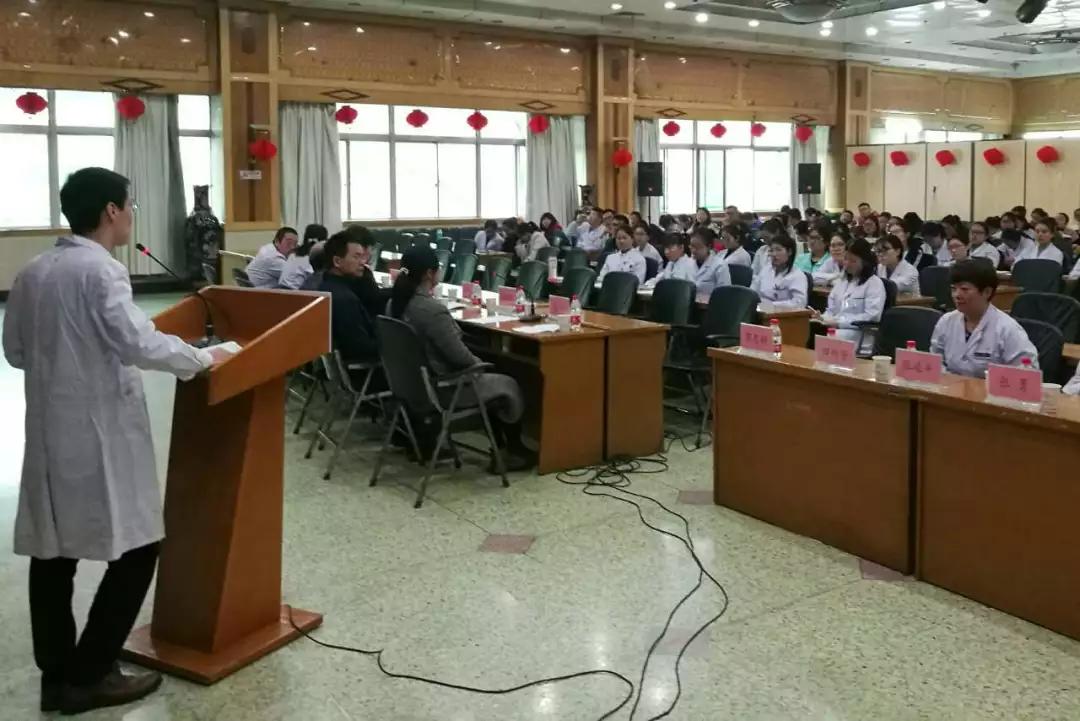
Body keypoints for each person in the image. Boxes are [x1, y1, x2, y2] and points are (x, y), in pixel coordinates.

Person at [2, 167, 229, 715]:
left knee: (53, 554)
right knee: (139, 549)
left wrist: (65, 364)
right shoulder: (101, 271)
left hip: (52, 432)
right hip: (98, 433)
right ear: (111, 210)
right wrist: (203, 358)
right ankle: (91, 673)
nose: (131, 216)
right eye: (130, 206)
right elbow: (137, 342)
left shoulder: (34, 270)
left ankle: (57, 677)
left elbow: (15, 351)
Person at [388, 245, 534, 470]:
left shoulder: (395, 303)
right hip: (444, 388)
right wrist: (481, 365)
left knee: (492, 368)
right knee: (507, 381)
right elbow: (461, 358)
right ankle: (511, 451)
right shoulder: (432, 311)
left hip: (410, 386)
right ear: (430, 274)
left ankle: (505, 449)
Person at [929, 260, 1038, 378]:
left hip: (990, 389)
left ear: (987, 292)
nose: (957, 295)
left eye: (964, 289)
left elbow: (1028, 372)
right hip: (951, 387)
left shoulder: (1007, 329)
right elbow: (936, 361)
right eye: (953, 289)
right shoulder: (946, 321)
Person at [319, 230, 380, 365]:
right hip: (362, 370)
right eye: (356, 257)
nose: (363, 262)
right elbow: (360, 348)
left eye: (363, 257)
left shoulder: (325, 287)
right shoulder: (344, 299)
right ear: (337, 261)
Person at [812, 238, 886, 342]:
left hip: (858, 332)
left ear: (865, 262)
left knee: (832, 337)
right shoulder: (842, 282)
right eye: (846, 259)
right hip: (836, 329)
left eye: (853, 260)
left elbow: (872, 316)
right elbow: (832, 310)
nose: (847, 263)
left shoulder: (874, 283)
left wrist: (840, 323)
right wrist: (822, 317)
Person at [751, 234, 807, 309]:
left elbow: (799, 303)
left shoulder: (797, 276)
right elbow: (753, 291)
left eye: (778, 250)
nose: (774, 254)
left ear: (789, 252)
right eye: (771, 250)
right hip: (759, 309)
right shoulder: (766, 269)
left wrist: (771, 305)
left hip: (781, 313)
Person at [279, 223, 328, 289]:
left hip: (281, 291)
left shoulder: (294, 254)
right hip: (297, 292)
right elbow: (317, 277)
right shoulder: (313, 257)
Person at [688, 228, 731, 295]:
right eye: (692, 246)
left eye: (697, 247)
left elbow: (724, 294)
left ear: (709, 247)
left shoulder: (720, 265)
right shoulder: (688, 263)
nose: (693, 250)